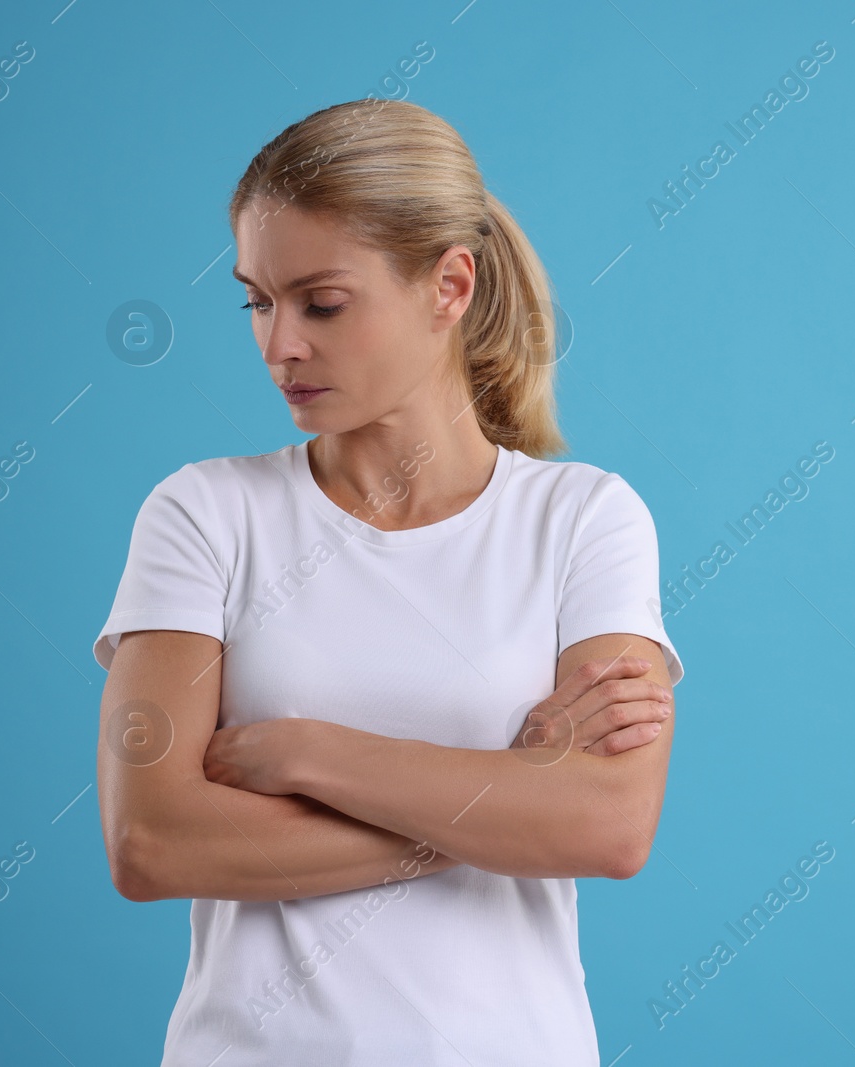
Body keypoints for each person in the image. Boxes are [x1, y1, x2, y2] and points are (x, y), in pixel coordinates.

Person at [91, 97, 683, 1066]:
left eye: (321, 302)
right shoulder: (202, 513)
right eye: (256, 298)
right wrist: (495, 802)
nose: (279, 343)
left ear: (449, 285)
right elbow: (152, 842)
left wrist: (306, 750)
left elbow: (606, 822)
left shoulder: (585, 519)